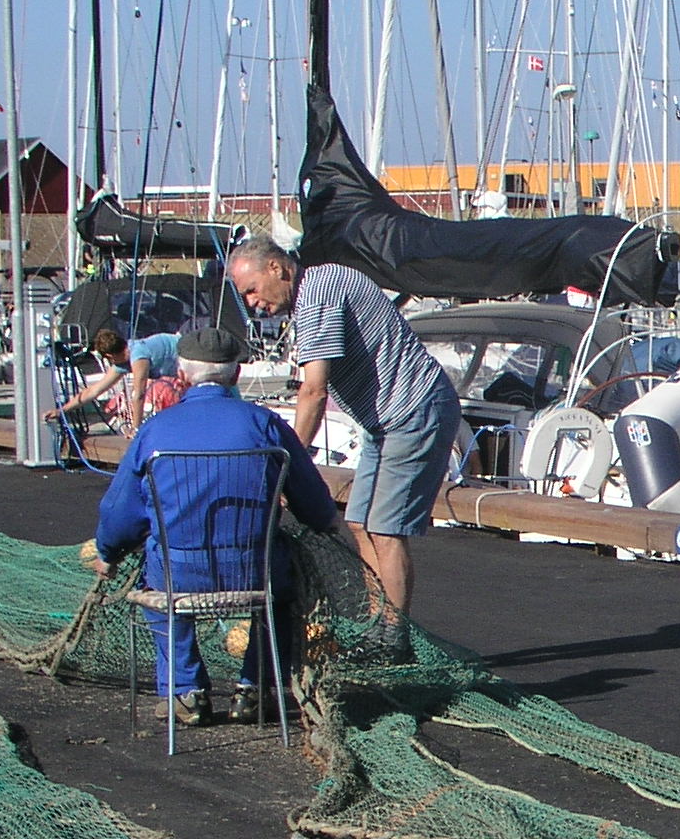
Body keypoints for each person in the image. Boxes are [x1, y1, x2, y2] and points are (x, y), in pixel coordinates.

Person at [90, 327, 341, 728]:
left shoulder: (156, 430)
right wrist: (325, 520)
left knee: (158, 586)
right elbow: (312, 501)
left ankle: (185, 690)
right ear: (236, 374)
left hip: (179, 572)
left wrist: (108, 552)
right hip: (255, 570)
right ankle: (255, 687)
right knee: (281, 596)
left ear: (182, 375)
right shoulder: (266, 424)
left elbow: (121, 511)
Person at [224, 236, 459, 628]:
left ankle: (393, 637)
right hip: (382, 422)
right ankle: (376, 621)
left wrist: (288, 468)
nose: (251, 303)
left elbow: (314, 391)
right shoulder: (320, 284)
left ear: (276, 269)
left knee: (385, 529)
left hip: (413, 410)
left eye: (251, 290)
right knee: (359, 522)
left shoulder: (317, 296)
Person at [47, 329, 186, 435]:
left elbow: (139, 395)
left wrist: (135, 430)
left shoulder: (138, 355)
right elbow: (94, 391)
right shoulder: (123, 363)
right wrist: (62, 410)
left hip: (190, 351)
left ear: (109, 356)